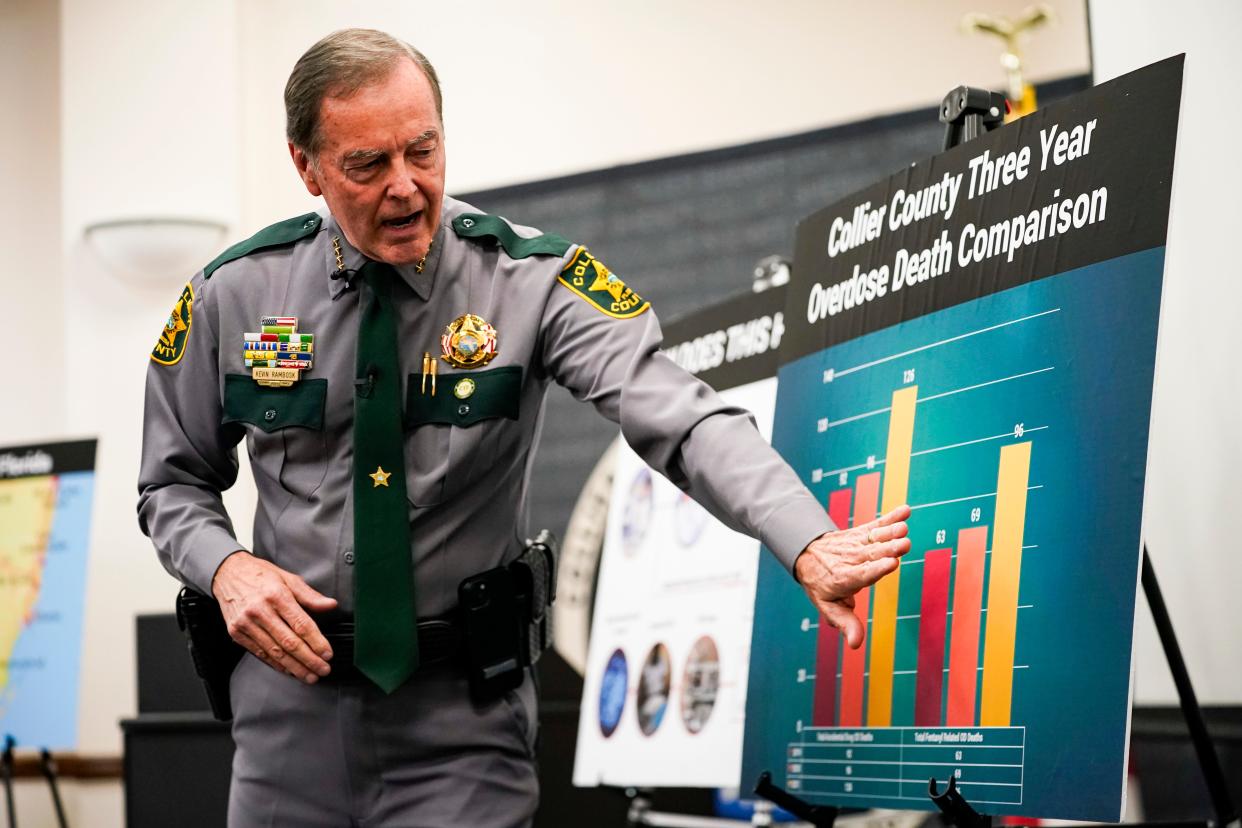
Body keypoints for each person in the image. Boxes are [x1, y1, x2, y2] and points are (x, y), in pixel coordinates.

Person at [137, 28, 911, 828]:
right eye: (368, 165)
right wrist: (226, 568)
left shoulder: (529, 283)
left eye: (424, 151)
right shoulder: (233, 296)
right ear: (307, 167)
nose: (406, 188)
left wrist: (807, 537)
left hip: (463, 729)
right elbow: (170, 481)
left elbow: (679, 415)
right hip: (285, 726)